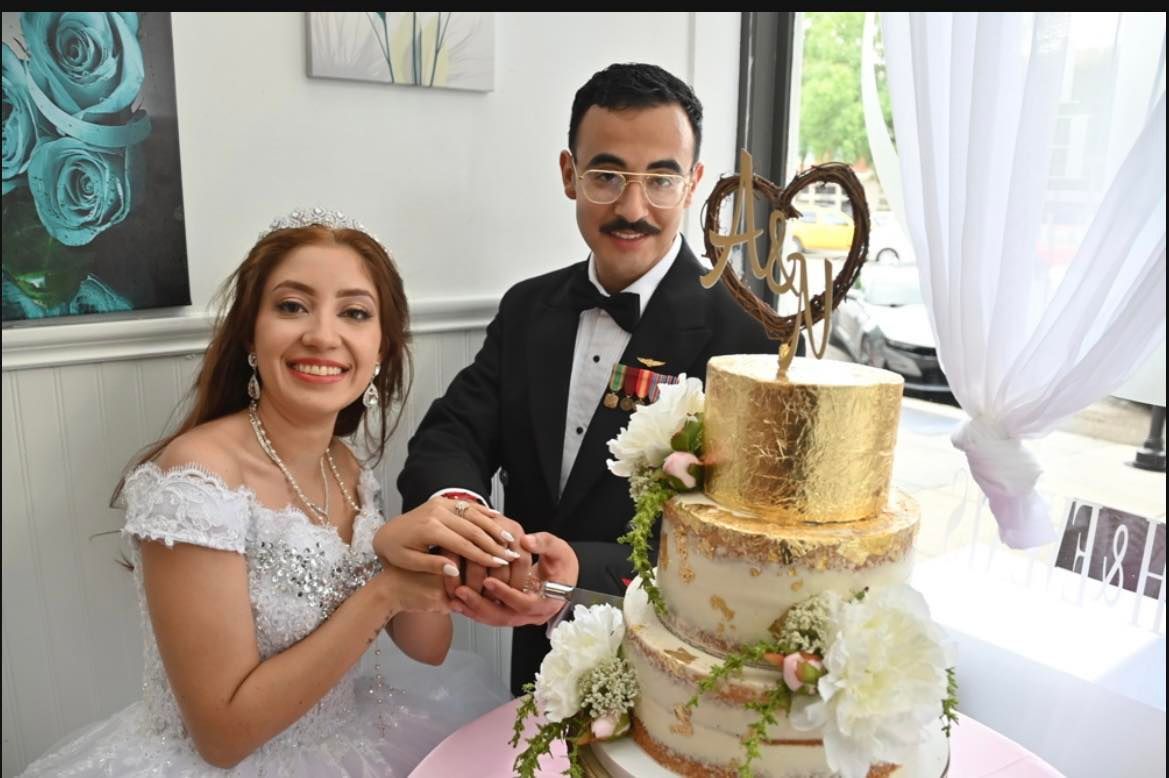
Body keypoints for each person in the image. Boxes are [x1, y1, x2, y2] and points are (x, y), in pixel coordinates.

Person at [18, 208, 578, 776]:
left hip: (351, 744)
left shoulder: (348, 466)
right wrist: (382, 591)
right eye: (291, 306)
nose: (322, 334)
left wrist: (436, 554)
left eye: (355, 313)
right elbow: (222, 736)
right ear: (250, 337)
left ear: (380, 349)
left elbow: (426, 648)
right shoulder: (196, 478)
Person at [397, 63, 777, 697]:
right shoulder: (527, 308)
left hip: (683, 667)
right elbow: (451, 435)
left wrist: (582, 573)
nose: (633, 208)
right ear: (570, 176)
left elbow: (748, 541)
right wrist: (467, 521)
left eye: (660, 178)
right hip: (537, 664)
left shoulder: (747, 337)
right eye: (607, 176)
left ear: (693, 185)